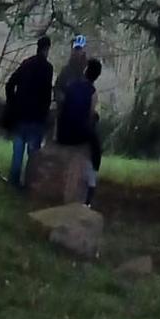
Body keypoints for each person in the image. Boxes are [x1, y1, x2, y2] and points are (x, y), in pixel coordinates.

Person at [2, 34, 54, 188]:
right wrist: (45, 112)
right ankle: (29, 184)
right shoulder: (47, 68)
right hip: (36, 117)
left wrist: (13, 103)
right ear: (47, 49)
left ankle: (13, 181)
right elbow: (46, 94)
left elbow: (10, 84)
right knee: (33, 155)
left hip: (21, 114)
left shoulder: (26, 64)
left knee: (18, 151)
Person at [55, 52, 103, 205]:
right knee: (95, 145)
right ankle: (91, 183)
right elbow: (89, 116)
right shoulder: (92, 93)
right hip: (76, 134)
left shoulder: (72, 85)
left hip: (62, 133)